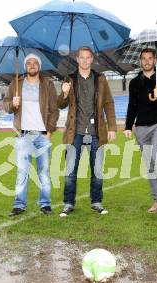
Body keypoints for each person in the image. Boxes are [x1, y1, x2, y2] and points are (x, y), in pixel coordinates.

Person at [57, 46, 117, 217]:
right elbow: (59, 104)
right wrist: (64, 93)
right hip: (74, 132)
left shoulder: (100, 79)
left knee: (97, 170)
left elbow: (108, 104)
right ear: (77, 59)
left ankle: (96, 202)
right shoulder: (69, 79)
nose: (84, 60)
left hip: (96, 131)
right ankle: (68, 203)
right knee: (70, 171)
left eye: (87, 57)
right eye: (81, 57)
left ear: (92, 60)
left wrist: (112, 128)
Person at [3, 53, 59, 216]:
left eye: (35, 63)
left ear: (39, 67)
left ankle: (45, 203)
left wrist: (49, 130)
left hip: (42, 135)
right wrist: (12, 104)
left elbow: (54, 110)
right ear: (25, 66)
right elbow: (6, 105)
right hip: (23, 135)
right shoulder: (16, 83)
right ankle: (19, 204)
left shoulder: (47, 84)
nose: (32, 65)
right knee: (22, 172)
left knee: (44, 172)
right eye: (29, 63)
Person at [123, 48, 157, 213]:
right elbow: (132, 106)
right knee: (150, 166)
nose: (147, 61)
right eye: (144, 59)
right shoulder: (134, 82)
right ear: (140, 61)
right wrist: (128, 126)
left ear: (155, 60)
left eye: (150, 58)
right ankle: (156, 200)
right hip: (141, 128)